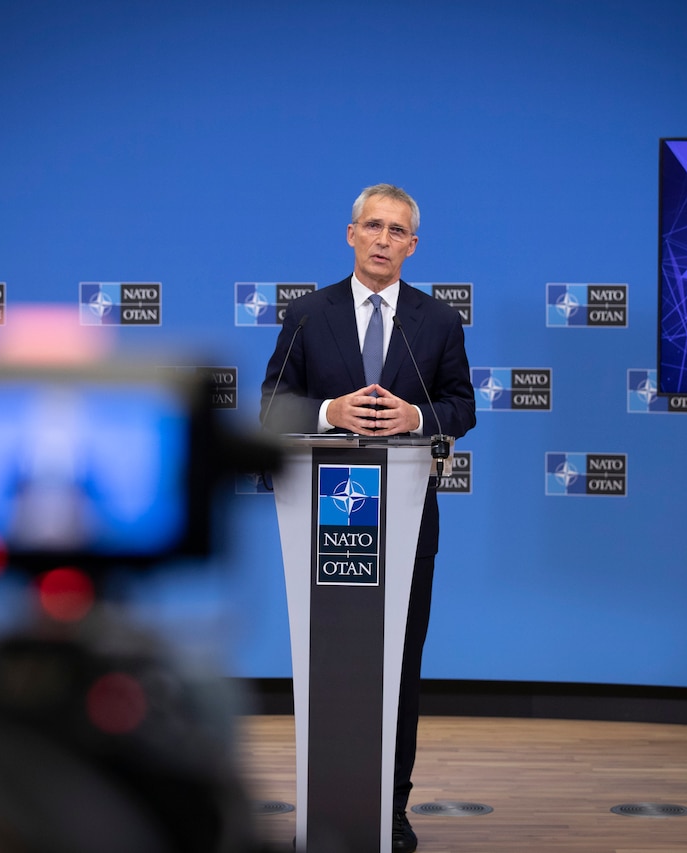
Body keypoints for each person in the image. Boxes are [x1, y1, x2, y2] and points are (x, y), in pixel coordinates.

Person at [259, 183, 477, 852]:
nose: (383, 239)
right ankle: (326, 803)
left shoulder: (437, 321)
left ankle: (393, 807)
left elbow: (462, 406)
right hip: (326, 520)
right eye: (372, 226)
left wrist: (417, 417)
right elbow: (272, 405)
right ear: (350, 234)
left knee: (399, 665)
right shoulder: (305, 313)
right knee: (334, 664)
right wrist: (330, 413)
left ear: (413, 246)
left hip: (409, 518)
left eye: (397, 231)